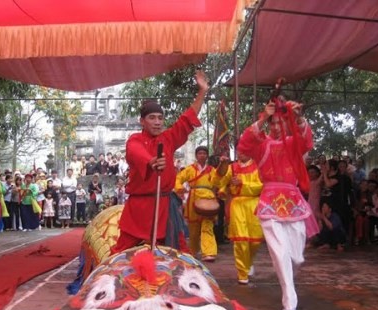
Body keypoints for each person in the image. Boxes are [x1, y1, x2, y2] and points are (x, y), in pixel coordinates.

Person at [111, 70, 209, 254]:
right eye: (152, 118)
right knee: (121, 251)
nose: (157, 122)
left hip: (165, 207)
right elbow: (136, 153)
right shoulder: (134, 140)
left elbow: (187, 119)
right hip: (139, 209)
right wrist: (151, 162)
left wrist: (202, 91)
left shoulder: (169, 138)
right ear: (142, 121)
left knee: (176, 253)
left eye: (160, 118)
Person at [237, 97, 316, 310]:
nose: (277, 127)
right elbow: (244, 144)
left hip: (293, 202)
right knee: (280, 254)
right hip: (270, 202)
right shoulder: (262, 144)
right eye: (274, 123)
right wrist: (263, 117)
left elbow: (307, 141)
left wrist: (298, 118)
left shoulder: (292, 144)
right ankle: (290, 301)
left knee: (296, 257)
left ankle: (289, 281)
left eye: (281, 122)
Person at [214, 152, 264, 284]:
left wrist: (243, 182)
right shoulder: (233, 167)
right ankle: (242, 274)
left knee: (255, 240)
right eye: (240, 150)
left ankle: (248, 263)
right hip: (237, 205)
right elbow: (218, 181)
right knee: (241, 239)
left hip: (254, 204)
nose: (241, 153)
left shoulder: (259, 166)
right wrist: (222, 166)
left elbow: (262, 186)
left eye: (245, 150)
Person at [175, 146, 218, 262]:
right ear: (196, 155)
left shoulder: (212, 170)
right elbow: (178, 178)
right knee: (193, 229)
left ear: (207, 156)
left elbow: (219, 181)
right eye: (200, 153)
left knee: (207, 226)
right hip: (193, 199)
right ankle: (193, 251)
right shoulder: (190, 169)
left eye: (204, 153)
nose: (202, 155)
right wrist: (179, 188)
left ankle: (209, 252)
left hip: (208, 199)